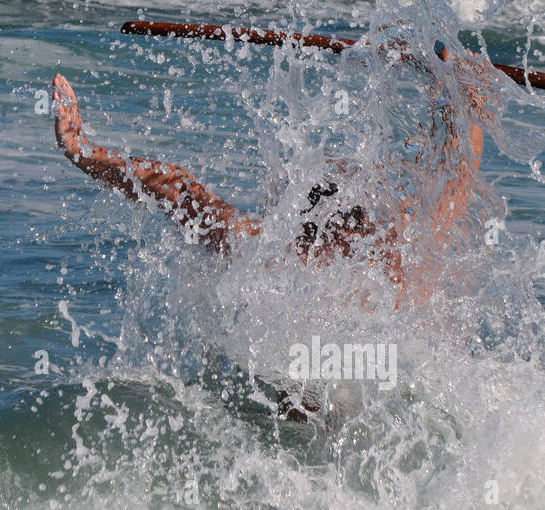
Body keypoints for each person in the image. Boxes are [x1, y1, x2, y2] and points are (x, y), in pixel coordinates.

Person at [51, 45, 494, 312]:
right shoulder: (397, 262)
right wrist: (460, 97)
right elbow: (455, 182)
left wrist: (80, 150)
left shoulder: (260, 251)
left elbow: (172, 186)